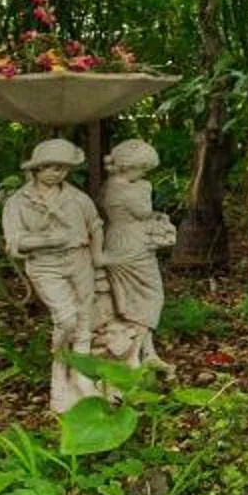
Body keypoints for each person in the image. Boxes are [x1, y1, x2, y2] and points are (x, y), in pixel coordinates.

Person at [2, 138, 106, 413]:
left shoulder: (77, 198)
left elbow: (95, 225)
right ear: (35, 169)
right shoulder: (18, 202)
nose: (55, 173)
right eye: (49, 167)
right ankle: (60, 367)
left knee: (85, 319)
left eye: (61, 168)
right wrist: (48, 240)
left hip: (79, 260)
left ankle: (80, 378)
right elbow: (14, 242)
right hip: (46, 266)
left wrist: (97, 258)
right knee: (66, 319)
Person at [96, 138, 173, 373]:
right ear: (128, 166)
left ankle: (147, 351)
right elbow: (143, 212)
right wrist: (146, 191)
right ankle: (135, 354)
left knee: (131, 300)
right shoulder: (130, 188)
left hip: (115, 239)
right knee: (151, 296)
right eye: (142, 169)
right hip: (132, 243)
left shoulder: (107, 185)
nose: (144, 174)